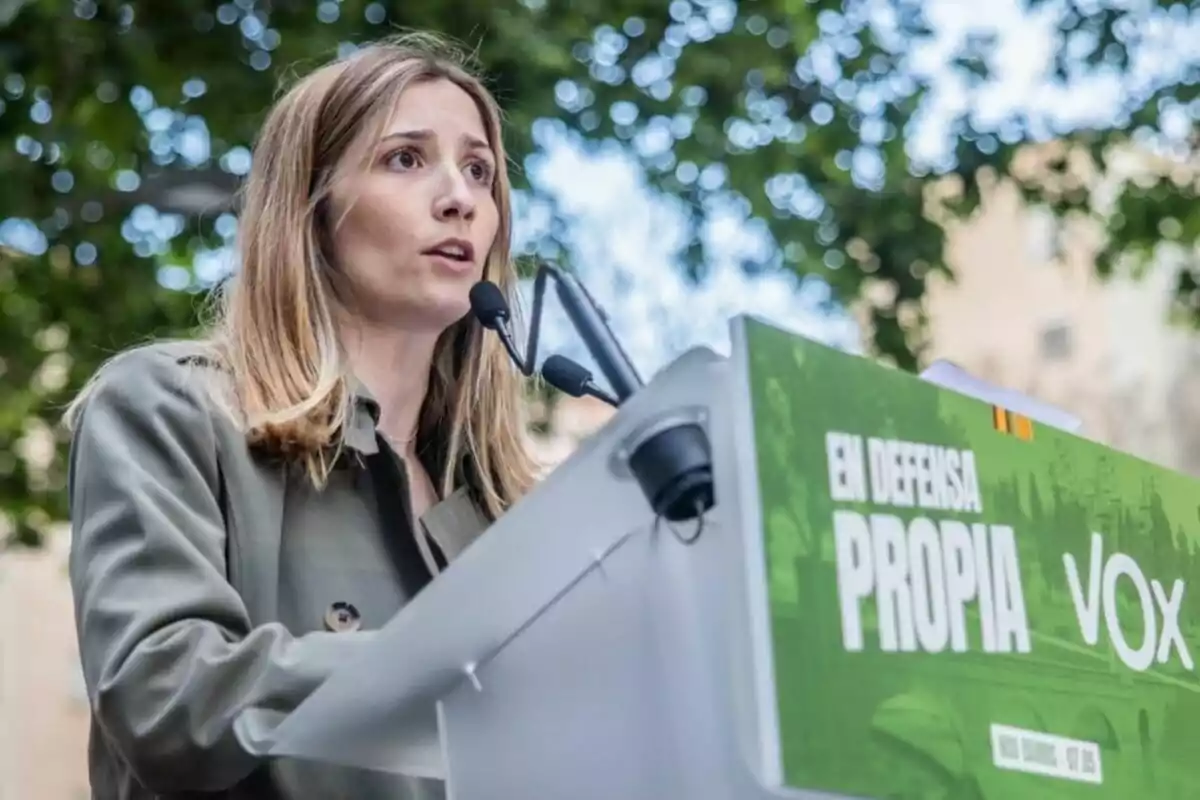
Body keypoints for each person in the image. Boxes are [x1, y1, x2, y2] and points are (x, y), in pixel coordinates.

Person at [63, 32, 539, 800]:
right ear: (312, 209)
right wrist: (440, 664)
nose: (460, 197)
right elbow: (163, 697)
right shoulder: (168, 406)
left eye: (479, 170)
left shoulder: (508, 509)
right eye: (406, 158)